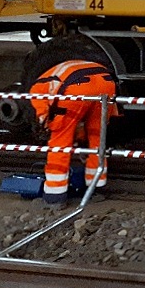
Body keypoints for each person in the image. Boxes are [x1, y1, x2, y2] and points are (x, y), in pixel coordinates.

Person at [28, 59, 120, 207]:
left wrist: (48, 126)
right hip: (107, 81)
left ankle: (55, 197)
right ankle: (97, 189)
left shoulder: (36, 91)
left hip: (76, 87)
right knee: (97, 137)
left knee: (60, 144)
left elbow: (48, 120)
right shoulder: (56, 74)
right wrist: (79, 138)